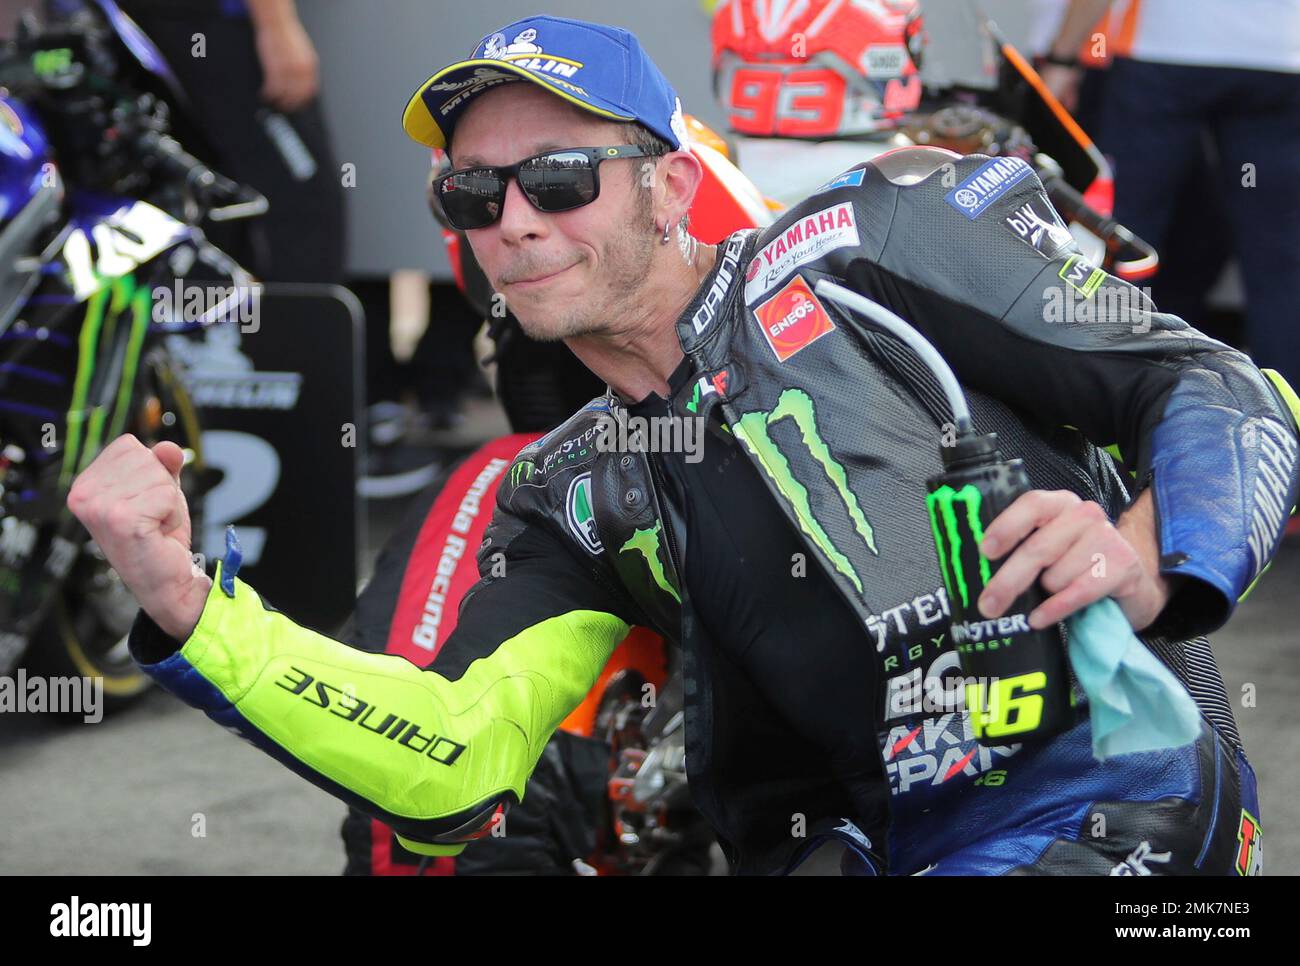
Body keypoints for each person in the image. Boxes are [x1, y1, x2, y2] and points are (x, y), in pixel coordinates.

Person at [67, 15, 1299, 875]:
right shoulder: (562, 488)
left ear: (665, 185)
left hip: (1108, 796)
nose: (514, 223)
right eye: (470, 192)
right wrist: (192, 609)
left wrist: (1151, 555)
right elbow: (450, 764)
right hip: (861, 845)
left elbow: (1217, 383)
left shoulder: (882, 231)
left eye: (558, 177)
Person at [1043, 0, 1300, 392]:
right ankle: (1284, 419)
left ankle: (1105, 398)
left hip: (1164, 52)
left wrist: (1064, 57)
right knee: (1279, 259)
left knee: (1124, 236)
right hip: (1279, 60)